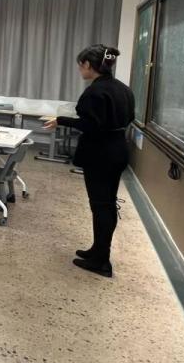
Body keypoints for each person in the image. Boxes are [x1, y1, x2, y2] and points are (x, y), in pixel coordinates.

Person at [43, 45, 134, 278]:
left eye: (80, 65)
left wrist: (61, 120)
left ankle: (101, 261)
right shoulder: (123, 89)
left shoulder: (95, 92)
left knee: (100, 205)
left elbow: (89, 124)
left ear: (87, 65)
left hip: (100, 153)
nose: (79, 69)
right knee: (107, 203)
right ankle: (99, 249)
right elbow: (128, 118)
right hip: (118, 150)